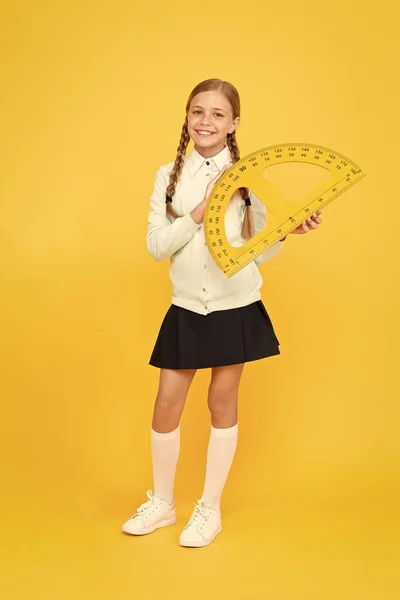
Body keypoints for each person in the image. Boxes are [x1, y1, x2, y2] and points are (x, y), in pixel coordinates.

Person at [121, 78, 322, 547]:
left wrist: (289, 232)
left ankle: (208, 509)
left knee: (220, 401)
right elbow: (156, 246)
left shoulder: (250, 175)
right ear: (187, 118)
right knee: (166, 403)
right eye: (197, 112)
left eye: (216, 114)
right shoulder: (167, 175)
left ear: (233, 124)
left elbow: (255, 250)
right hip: (187, 306)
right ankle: (164, 504)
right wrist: (199, 212)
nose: (205, 121)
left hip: (236, 305)